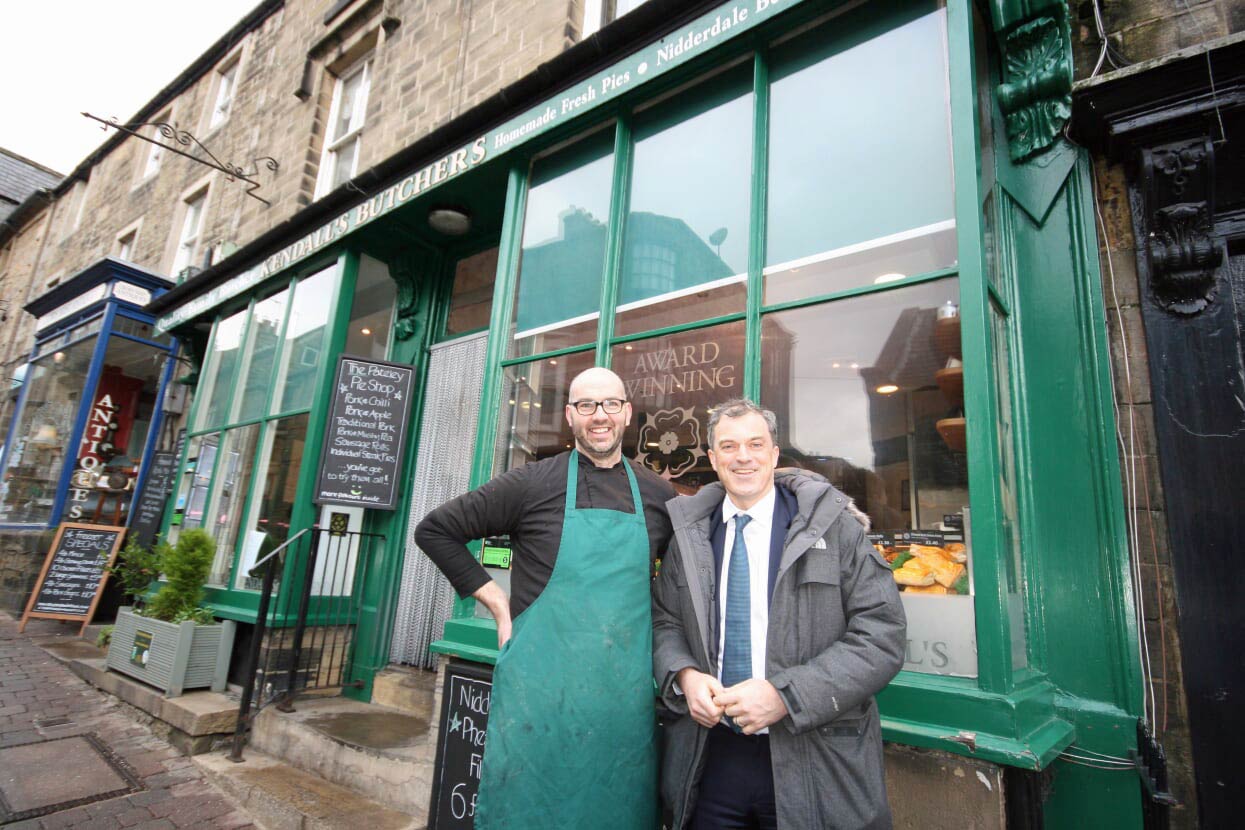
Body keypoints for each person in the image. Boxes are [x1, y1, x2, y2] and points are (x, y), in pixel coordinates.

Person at [415, 366, 675, 829]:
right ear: (570, 417)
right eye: (586, 406)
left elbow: (679, 589)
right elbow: (435, 530)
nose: (600, 416)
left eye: (610, 404)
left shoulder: (658, 495)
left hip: (620, 705)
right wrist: (496, 601)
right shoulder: (532, 484)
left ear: (627, 413)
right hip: (538, 700)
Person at [652, 399, 906, 829]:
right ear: (713, 459)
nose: (743, 457)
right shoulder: (689, 536)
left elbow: (882, 636)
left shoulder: (835, 529)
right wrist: (684, 675)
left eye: (756, 444)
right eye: (729, 447)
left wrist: (785, 695)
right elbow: (666, 622)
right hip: (710, 758)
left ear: (774, 454)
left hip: (815, 756)